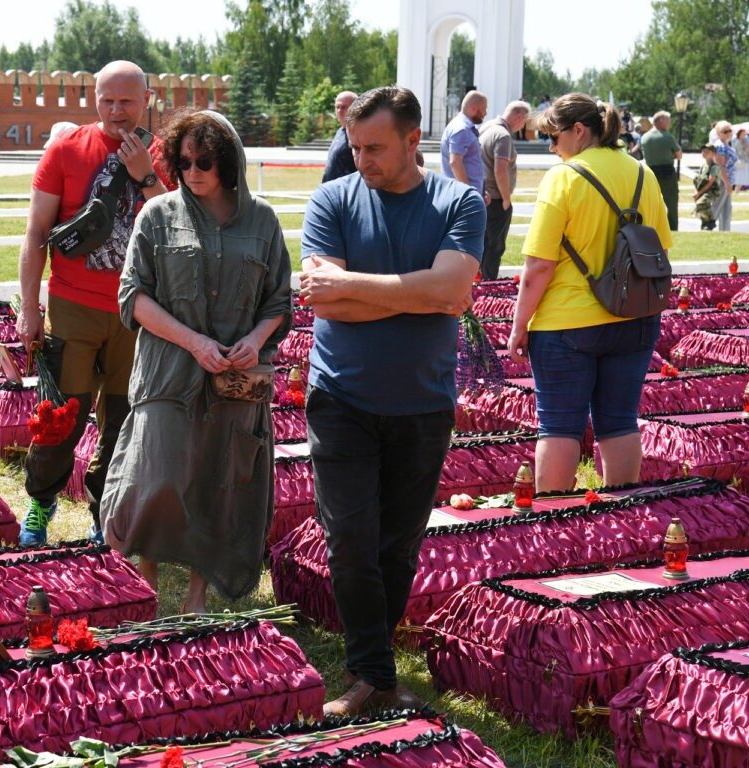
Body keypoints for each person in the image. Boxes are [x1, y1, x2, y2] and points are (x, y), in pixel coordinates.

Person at [298, 86, 484, 717]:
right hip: (340, 396)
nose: (361, 160)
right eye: (354, 147)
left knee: (397, 544)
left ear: (413, 140)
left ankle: (374, 670)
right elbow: (324, 301)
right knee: (349, 537)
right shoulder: (332, 197)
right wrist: (422, 292)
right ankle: (373, 672)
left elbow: (454, 289)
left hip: (422, 402)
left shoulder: (459, 201)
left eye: (375, 148)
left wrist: (357, 286)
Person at [101, 110, 292, 613]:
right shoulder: (157, 215)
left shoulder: (262, 220)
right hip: (168, 374)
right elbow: (132, 298)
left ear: (228, 162)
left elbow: (278, 302)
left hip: (234, 383)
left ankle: (196, 593)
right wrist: (193, 342)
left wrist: (255, 339)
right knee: (155, 478)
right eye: (183, 161)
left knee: (218, 485)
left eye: (204, 161)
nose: (192, 171)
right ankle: (145, 581)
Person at [15, 59, 174, 546]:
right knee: (61, 416)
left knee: (123, 421)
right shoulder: (67, 148)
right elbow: (36, 233)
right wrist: (28, 307)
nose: (115, 109)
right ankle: (40, 505)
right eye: (106, 99)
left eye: (126, 100)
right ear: (95, 98)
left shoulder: (166, 154)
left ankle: (104, 510)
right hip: (73, 308)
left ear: (147, 99)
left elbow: (179, 228)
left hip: (137, 312)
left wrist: (146, 175)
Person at [507, 93, 670, 495]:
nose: (551, 146)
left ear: (578, 131)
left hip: (567, 323)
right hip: (635, 317)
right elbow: (661, 249)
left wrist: (518, 325)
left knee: (559, 425)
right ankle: (619, 523)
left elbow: (539, 266)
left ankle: (555, 528)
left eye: (553, 136)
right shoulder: (641, 174)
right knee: (619, 421)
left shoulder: (564, 177)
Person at [479, 100, 530, 279]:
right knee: (494, 247)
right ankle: (487, 287)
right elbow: (501, 169)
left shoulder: (487, 128)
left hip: (483, 195)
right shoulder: (503, 136)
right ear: (518, 116)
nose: (523, 125)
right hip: (496, 199)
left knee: (482, 246)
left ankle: (478, 285)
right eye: (524, 121)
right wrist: (506, 198)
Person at [439, 90, 488, 201]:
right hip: (462, 198)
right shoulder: (462, 129)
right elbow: (455, 162)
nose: (486, 113)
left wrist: (481, 191)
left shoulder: (462, 127)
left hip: (463, 195)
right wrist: (470, 194)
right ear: (474, 109)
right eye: (484, 109)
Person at [638, 111, 682, 231]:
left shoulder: (644, 137)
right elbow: (679, 155)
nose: (670, 123)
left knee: (650, 203)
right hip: (667, 174)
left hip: (650, 174)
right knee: (671, 203)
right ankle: (672, 228)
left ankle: (648, 227)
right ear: (661, 121)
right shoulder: (667, 137)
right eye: (668, 120)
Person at [322, 91, 358, 182]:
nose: (339, 111)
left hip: (347, 192)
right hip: (332, 190)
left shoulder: (359, 135)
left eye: (344, 107)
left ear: (356, 108)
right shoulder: (341, 131)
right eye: (337, 107)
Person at [713, 121, 737, 232]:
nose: (728, 133)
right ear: (718, 133)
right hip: (722, 181)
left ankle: (725, 231)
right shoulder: (720, 146)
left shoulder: (726, 144)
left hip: (728, 181)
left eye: (730, 130)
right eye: (725, 131)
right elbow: (720, 165)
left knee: (726, 209)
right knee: (717, 207)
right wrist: (727, 182)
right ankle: (707, 227)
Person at [693, 144, 721, 230]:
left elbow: (710, 183)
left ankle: (711, 220)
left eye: (707, 151)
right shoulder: (703, 166)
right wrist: (695, 192)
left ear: (713, 154)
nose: (704, 153)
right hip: (703, 191)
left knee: (701, 204)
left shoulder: (714, 167)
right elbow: (698, 181)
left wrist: (699, 193)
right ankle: (705, 225)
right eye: (703, 151)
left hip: (712, 192)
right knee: (701, 209)